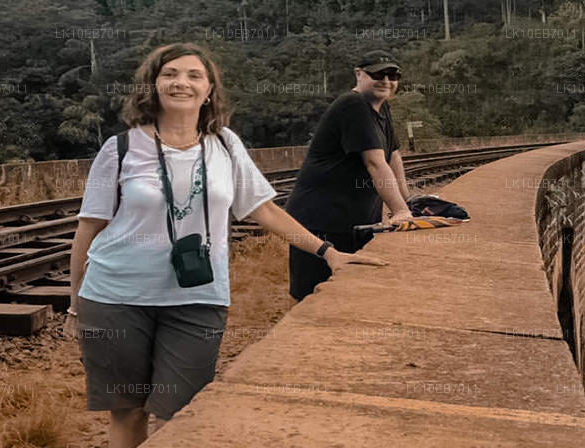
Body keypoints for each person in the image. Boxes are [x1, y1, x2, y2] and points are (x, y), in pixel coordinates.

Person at [65, 43, 386, 448]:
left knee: (181, 411)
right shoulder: (121, 149)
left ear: (209, 90)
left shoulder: (225, 145)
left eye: (194, 75)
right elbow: (89, 229)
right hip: (115, 297)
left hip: (198, 298)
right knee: (127, 412)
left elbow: (264, 210)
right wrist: (75, 303)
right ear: (153, 85)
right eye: (170, 74)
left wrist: (328, 252)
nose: (181, 82)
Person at [284, 49, 414, 302]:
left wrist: (408, 203)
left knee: (348, 293)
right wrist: (399, 211)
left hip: (352, 221)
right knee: (315, 298)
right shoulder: (353, 105)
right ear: (358, 74)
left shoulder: (380, 107)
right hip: (321, 221)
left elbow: (392, 156)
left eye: (392, 75)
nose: (386, 81)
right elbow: (375, 163)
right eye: (377, 74)